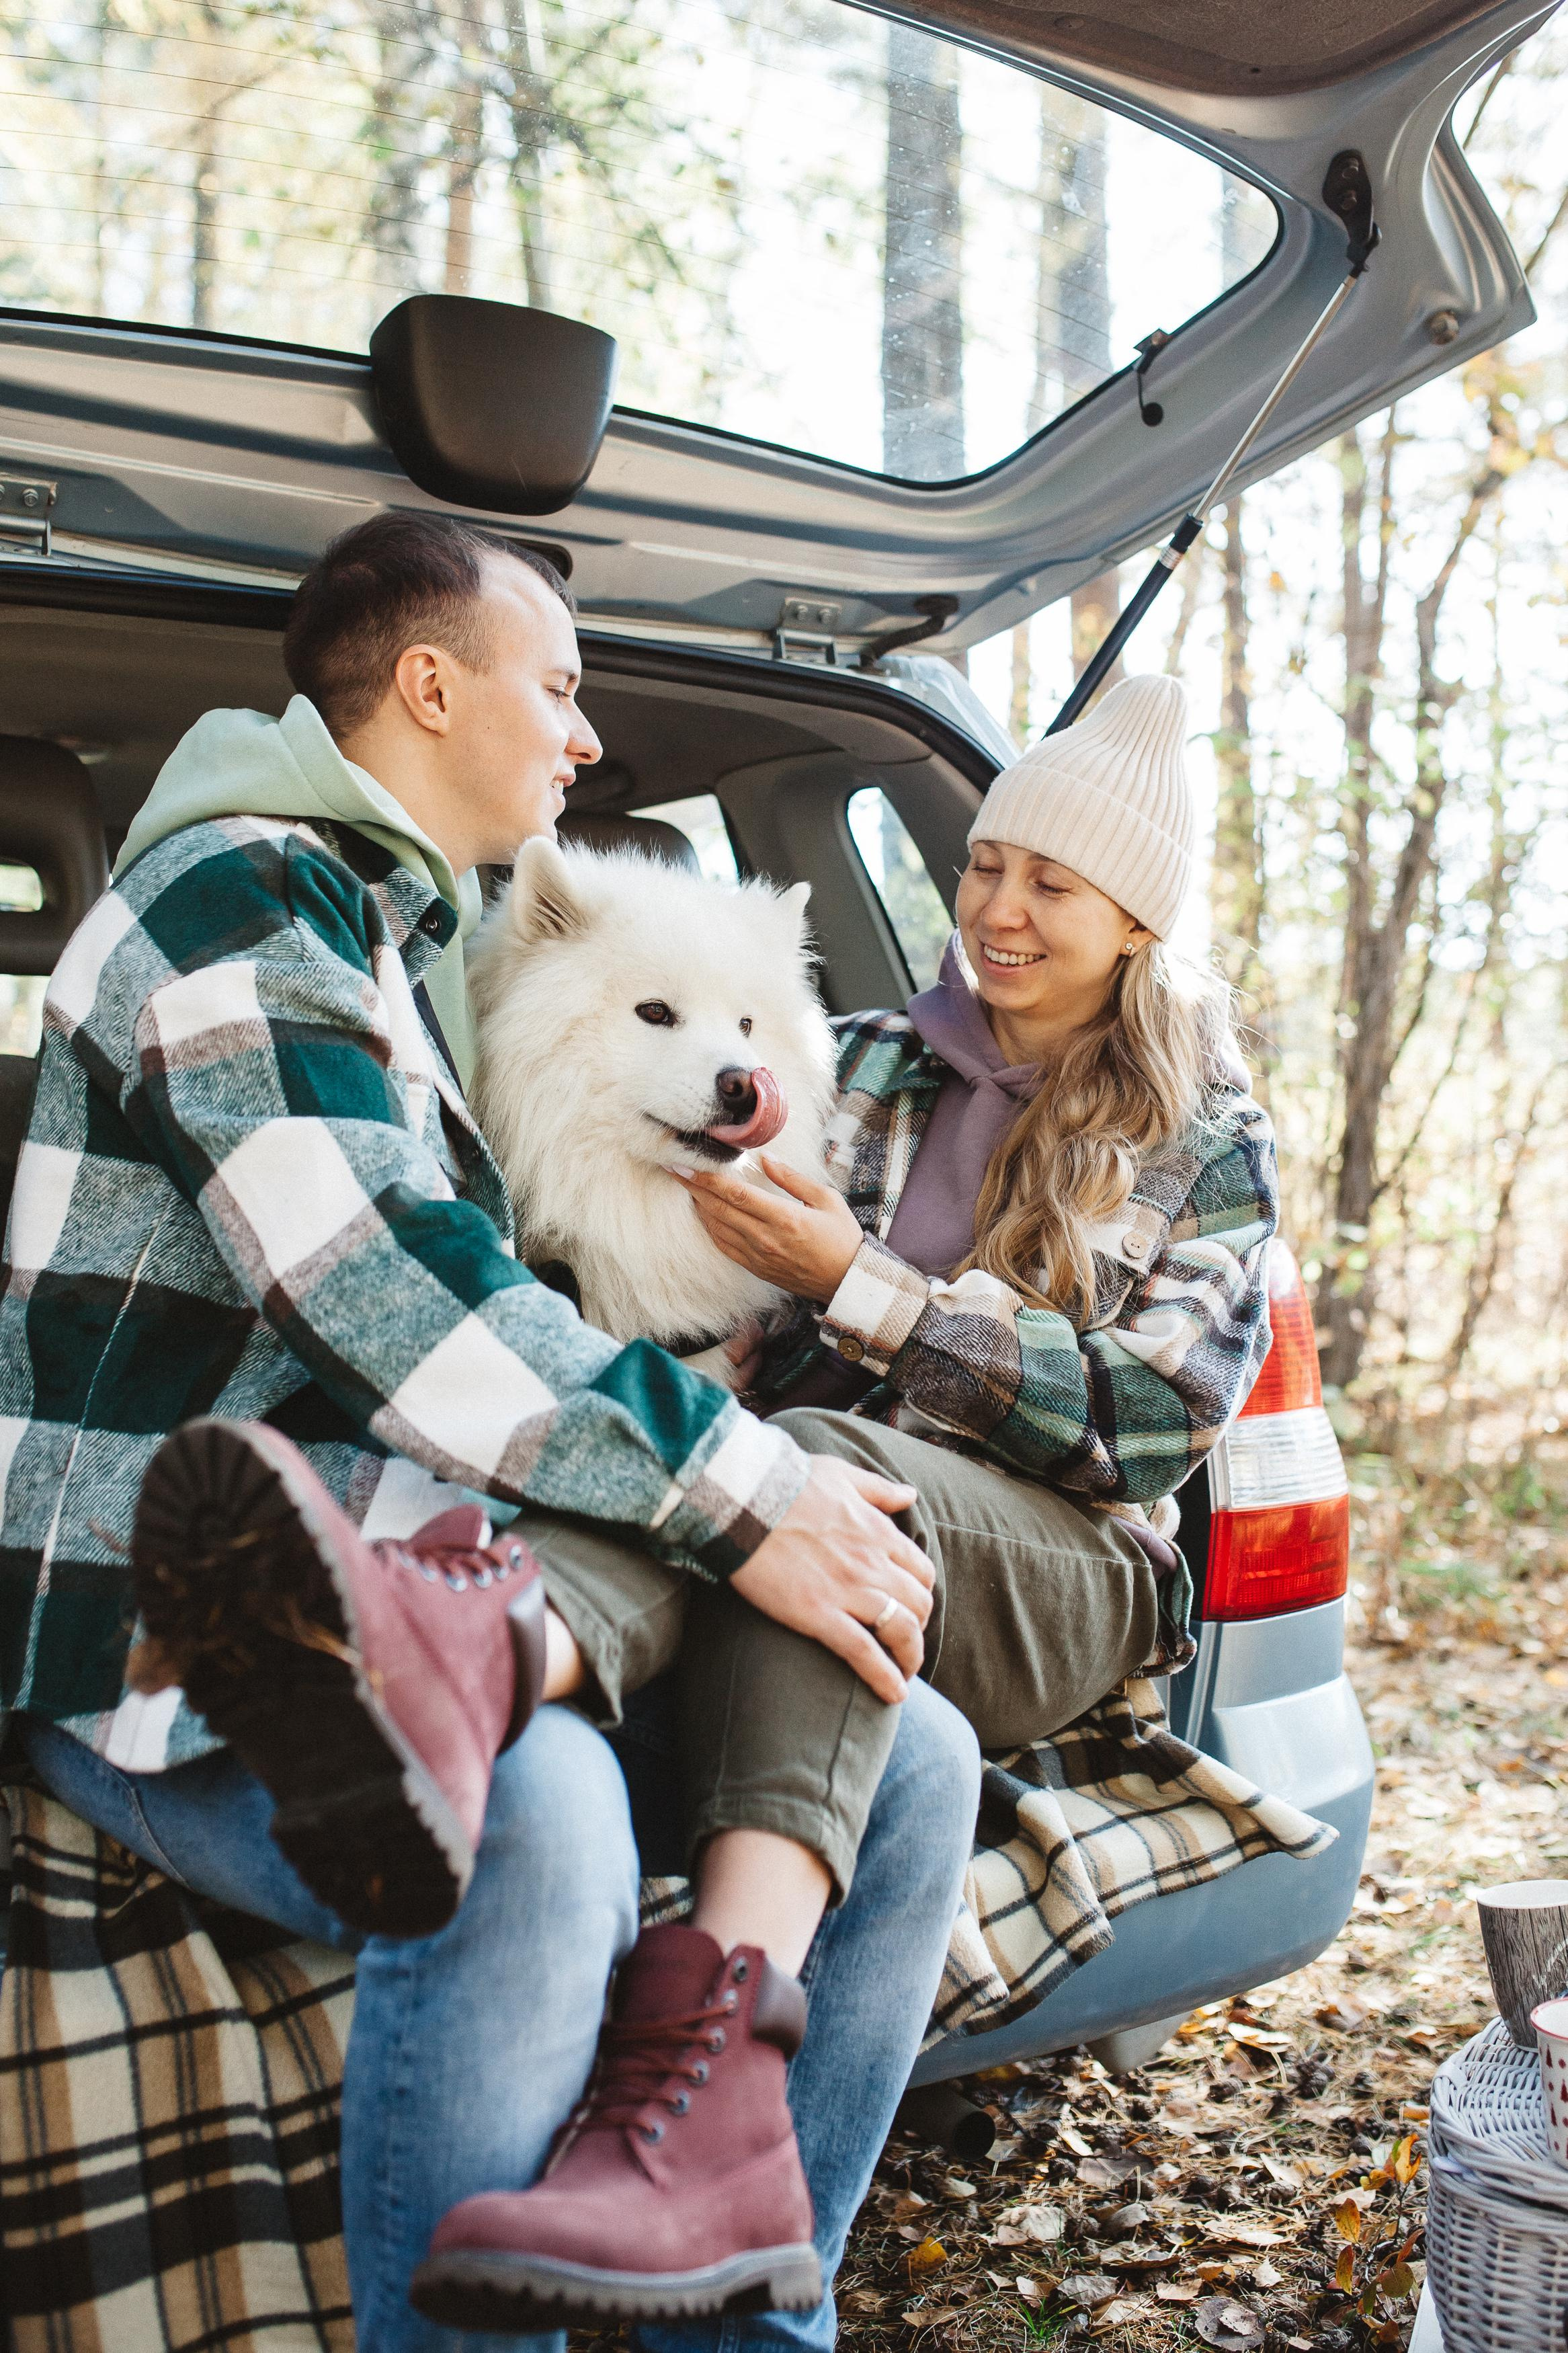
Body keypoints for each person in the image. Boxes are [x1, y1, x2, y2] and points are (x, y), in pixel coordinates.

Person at [0, 511, 980, 2350]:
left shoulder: (408, 940)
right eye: (559, 683)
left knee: (911, 1760)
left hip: (411, 1565)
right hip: (145, 1609)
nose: (585, 734)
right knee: (534, 1819)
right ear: (428, 683)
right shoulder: (236, 899)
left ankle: (743, 2308)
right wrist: (748, 1490)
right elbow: (385, 1284)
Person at [675, 673, 1280, 1763]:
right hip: (791, 1503)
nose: (998, 909)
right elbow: (706, 1278)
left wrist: (856, 1288)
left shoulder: (1206, 1141)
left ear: (1135, 924)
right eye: (986, 866)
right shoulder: (851, 1054)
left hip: (1062, 1568)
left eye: (1051, 885)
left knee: (810, 1468)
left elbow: (1144, 1428)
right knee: (722, 1460)